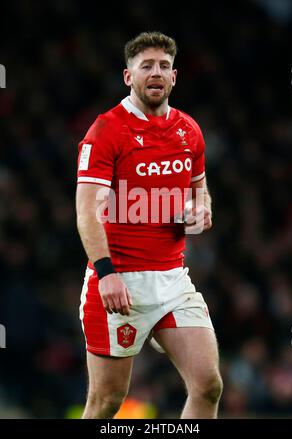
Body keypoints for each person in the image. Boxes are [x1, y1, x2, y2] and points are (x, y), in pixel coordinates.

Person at [76, 31, 223, 419]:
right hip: (120, 282)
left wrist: (201, 210)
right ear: (129, 77)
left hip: (174, 280)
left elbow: (199, 193)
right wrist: (105, 273)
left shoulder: (189, 130)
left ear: (174, 76)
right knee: (106, 401)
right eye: (146, 66)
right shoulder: (107, 130)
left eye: (163, 66)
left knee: (208, 385)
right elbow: (86, 211)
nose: (155, 73)